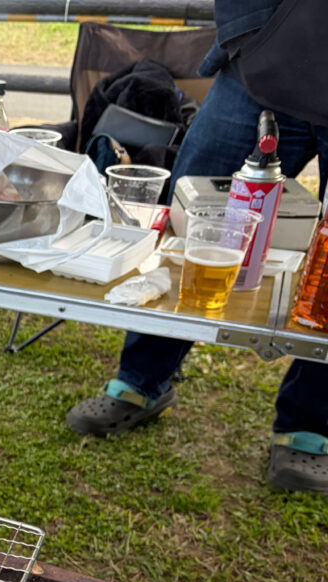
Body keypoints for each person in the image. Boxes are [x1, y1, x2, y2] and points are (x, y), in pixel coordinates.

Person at [66, 0, 328, 496]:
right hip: (261, 72)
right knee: (190, 224)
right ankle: (141, 379)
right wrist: (250, 33)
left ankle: (310, 421)